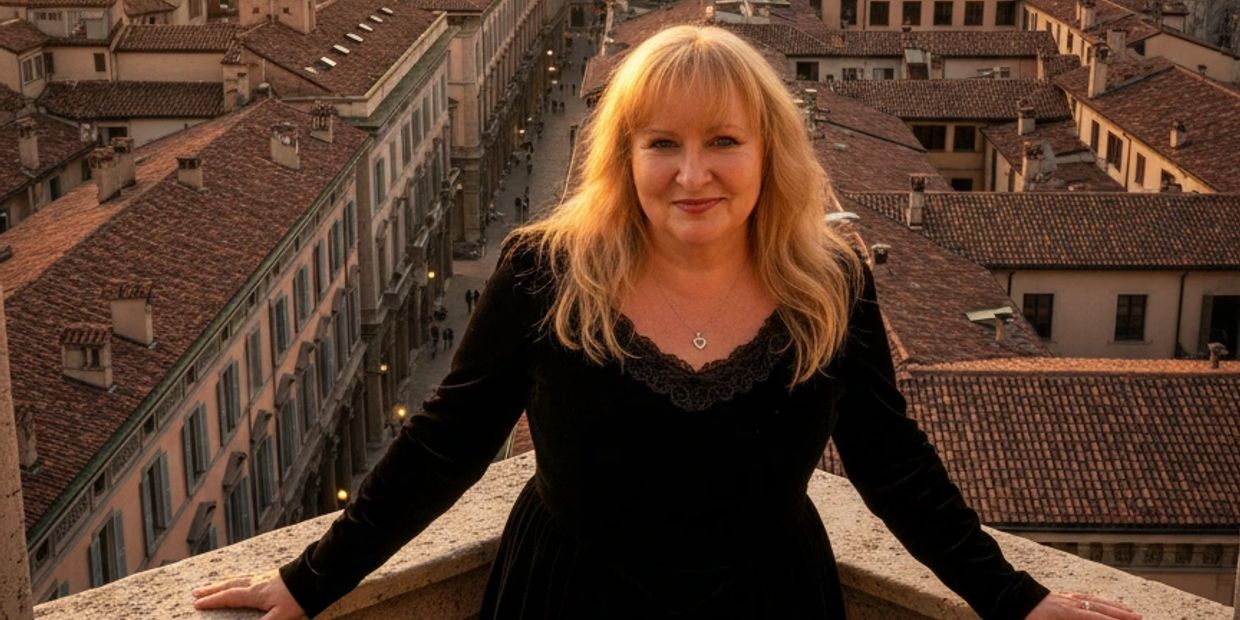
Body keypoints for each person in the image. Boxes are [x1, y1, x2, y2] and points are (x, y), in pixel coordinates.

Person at [191, 26, 1141, 620]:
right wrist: (311, 581)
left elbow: (894, 464)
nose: (694, 174)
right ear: (625, 157)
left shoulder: (831, 284)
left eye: (724, 141)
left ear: (769, 153)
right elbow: (444, 446)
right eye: (664, 145)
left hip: (773, 604)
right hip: (565, 603)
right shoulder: (545, 273)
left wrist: (1016, 600)